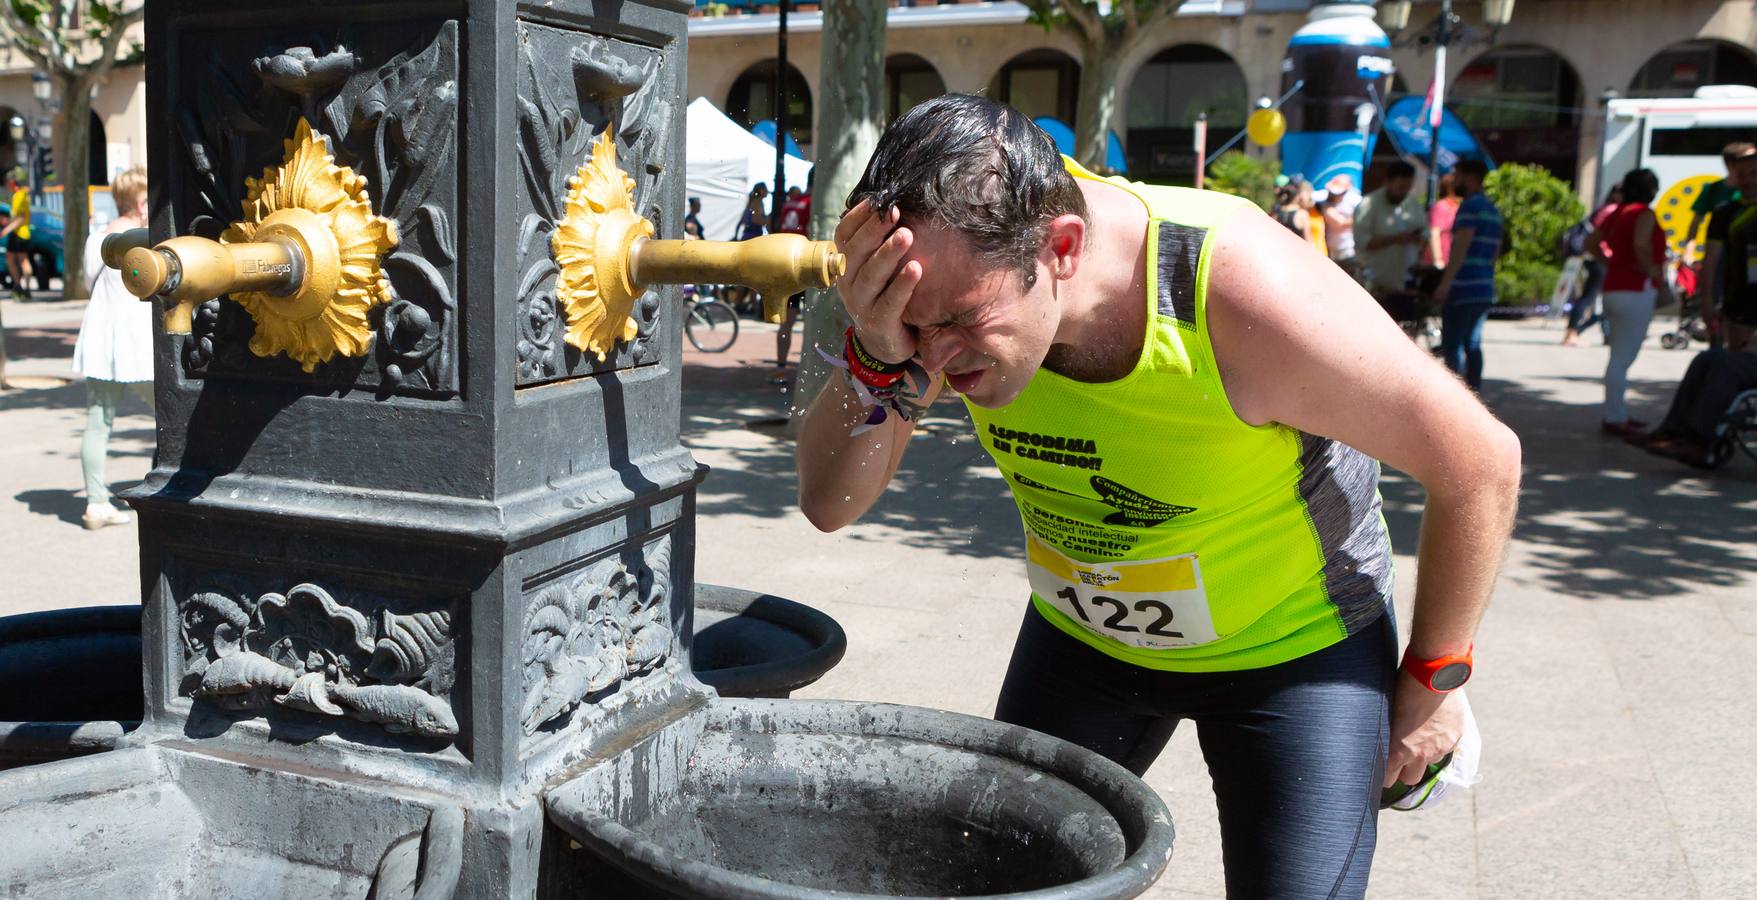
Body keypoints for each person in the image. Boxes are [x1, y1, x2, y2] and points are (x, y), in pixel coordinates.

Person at [796, 95, 1520, 898]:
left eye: (961, 322)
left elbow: (1479, 462)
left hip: (1293, 655)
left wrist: (1432, 684)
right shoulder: (951, 275)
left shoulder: (1241, 290)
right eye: (912, 326)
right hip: (1084, 644)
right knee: (993, 885)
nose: (934, 358)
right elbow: (831, 504)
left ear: (1061, 247)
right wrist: (872, 347)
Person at [71, 166, 155, 530]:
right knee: (170, 418)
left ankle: (95, 502)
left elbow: (91, 281)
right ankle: (161, 486)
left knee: (97, 422)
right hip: (135, 341)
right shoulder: (145, 238)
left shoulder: (96, 238)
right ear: (139, 202)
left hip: (101, 337)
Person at [1590, 168, 1669, 437]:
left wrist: (1611, 263)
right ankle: (1615, 417)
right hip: (1635, 290)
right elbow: (1641, 243)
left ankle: (1617, 413)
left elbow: (1591, 242)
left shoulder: (1615, 214)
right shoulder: (1642, 214)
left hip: (1614, 287)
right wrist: (1651, 270)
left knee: (1618, 356)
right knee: (1623, 359)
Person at [1433, 159, 1502, 391]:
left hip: (1463, 287)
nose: (1454, 181)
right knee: (1473, 343)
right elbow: (1495, 254)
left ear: (1470, 178)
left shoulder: (1470, 207)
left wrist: (1445, 283)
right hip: (1484, 286)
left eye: (1458, 175)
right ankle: (1475, 393)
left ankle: (1456, 395)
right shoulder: (1493, 210)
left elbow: (1460, 249)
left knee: (1453, 344)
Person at [1353, 161, 1426, 297]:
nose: (1403, 193)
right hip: (1376, 285)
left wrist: (1418, 238)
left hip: (1406, 280)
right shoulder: (1368, 205)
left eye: (1407, 188)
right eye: (1400, 187)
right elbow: (1362, 242)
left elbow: (1423, 232)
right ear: (1387, 182)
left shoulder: (1412, 203)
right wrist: (1396, 239)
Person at [1561, 186, 1623, 347]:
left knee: (1593, 297)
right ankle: (1572, 333)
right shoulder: (1612, 210)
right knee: (1590, 296)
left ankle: (1582, 332)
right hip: (1600, 258)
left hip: (1595, 258)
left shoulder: (1604, 208)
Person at [1681, 142, 1754, 264]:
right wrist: (1688, 252)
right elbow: (1696, 222)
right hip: (1722, 257)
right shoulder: (1713, 190)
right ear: (1732, 165)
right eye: (1750, 159)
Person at [771, 179, 814, 382]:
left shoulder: (790, 203)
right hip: (809, 265)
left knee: (786, 323)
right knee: (814, 322)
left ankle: (780, 367)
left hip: (786, 266)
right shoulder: (813, 202)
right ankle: (810, 371)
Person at [1, 169, 34, 300]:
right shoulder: (20, 195)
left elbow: (20, 218)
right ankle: (22, 286)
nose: (6, 186)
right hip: (22, 233)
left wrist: (6, 229)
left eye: (7, 183)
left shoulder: (19, 196)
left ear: (12, 182)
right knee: (14, 259)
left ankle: (22, 287)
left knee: (21, 260)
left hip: (19, 233)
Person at [1420, 172, 1460, 271]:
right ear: (1450, 188)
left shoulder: (1456, 207)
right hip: (1437, 266)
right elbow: (1433, 234)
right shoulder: (1441, 206)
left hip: (1450, 264)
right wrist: (1438, 261)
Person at [1322, 174, 1360, 278]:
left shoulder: (1355, 201)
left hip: (1350, 252)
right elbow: (1338, 222)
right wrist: (1355, 221)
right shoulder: (1326, 202)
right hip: (1332, 253)